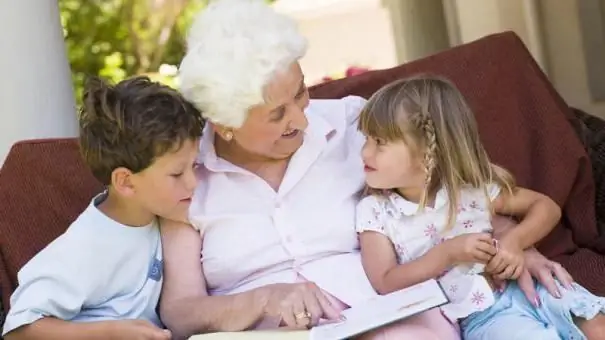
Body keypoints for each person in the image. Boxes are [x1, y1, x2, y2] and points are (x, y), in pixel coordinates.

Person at [159, 0, 576, 339]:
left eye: (301, 92)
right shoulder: (185, 177)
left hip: (385, 315)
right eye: (277, 115)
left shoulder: (354, 125)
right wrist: (262, 299)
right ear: (224, 124)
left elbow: (446, 191)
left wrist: (516, 243)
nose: (302, 121)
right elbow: (180, 312)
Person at [355, 75, 605, 339]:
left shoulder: (471, 190)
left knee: (598, 328)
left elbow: (545, 207)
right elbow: (385, 281)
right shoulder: (376, 211)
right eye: (366, 139)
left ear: (430, 150)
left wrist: (514, 242)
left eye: (379, 143)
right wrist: (446, 254)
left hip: (534, 283)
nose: (364, 153)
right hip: (483, 315)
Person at [2, 76, 204, 340]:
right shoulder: (87, 245)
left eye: (195, 166)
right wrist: (109, 332)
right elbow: (19, 329)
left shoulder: (158, 213)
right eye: (177, 174)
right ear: (126, 182)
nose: (194, 182)